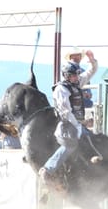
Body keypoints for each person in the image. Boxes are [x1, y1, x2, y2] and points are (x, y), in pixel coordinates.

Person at [38, 50, 98, 191]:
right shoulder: (61, 89)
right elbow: (66, 111)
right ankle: (47, 169)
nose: (76, 77)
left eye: (77, 75)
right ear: (66, 76)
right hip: (65, 125)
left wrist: (92, 60)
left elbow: (91, 72)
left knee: (91, 140)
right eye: (73, 75)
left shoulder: (76, 83)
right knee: (70, 145)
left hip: (76, 124)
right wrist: (78, 124)